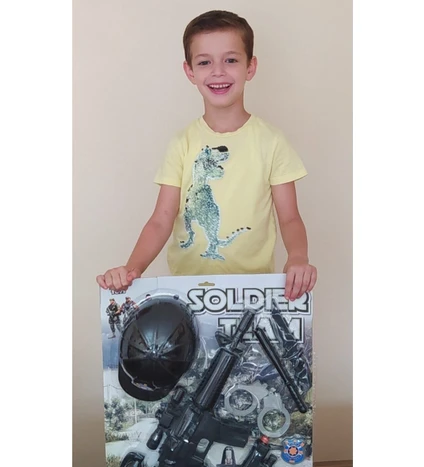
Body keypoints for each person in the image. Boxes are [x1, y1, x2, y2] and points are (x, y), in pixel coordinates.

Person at [96, 10, 317, 301]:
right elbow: (161, 219)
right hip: (188, 292)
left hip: (252, 292)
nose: (218, 72)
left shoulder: (272, 142)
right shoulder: (182, 143)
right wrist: (132, 269)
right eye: (204, 62)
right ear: (190, 72)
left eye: (231, 60)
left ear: (250, 67)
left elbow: (289, 218)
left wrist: (298, 258)